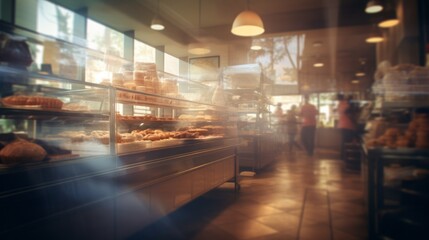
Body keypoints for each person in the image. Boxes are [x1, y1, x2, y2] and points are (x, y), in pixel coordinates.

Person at [337, 93, 357, 161]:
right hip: (348, 125)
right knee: (347, 141)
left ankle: (343, 156)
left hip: (342, 125)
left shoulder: (340, 104)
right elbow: (350, 115)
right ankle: (346, 157)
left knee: (344, 141)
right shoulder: (346, 105)